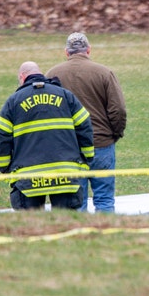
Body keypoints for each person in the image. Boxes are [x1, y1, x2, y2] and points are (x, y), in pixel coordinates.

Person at [0, 61, 94, 211]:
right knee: (65, 223)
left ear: (22, 77)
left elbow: (1, 133)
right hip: (64, 173)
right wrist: (87, 158)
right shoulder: (66, 96)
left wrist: (5, 167)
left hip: (28, 177)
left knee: (32, 227)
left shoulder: (14, 101)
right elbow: (84, 126)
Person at [46, 32, 128, 213]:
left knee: (76, 201)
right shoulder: (104, 73)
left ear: (66, 52)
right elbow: (118, 110)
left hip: (69, 147)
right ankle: (106, 236)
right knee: (105, 199)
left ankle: (79, 237)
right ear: (89, 50)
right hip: (101, 144)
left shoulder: (52, 74)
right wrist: (114, 133)